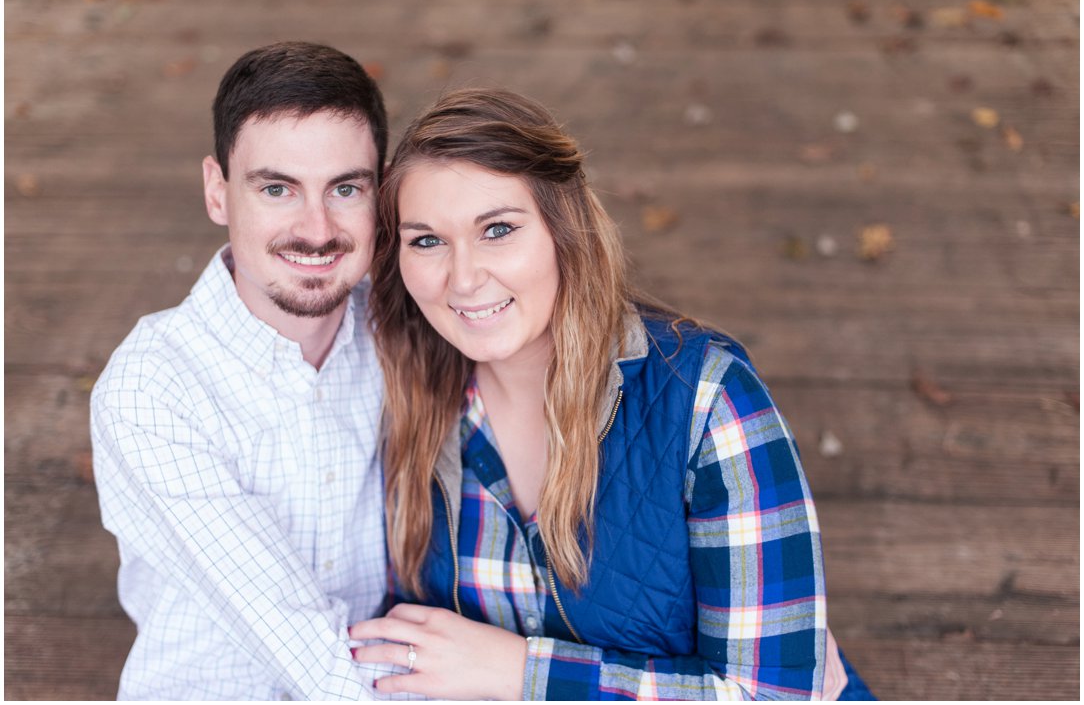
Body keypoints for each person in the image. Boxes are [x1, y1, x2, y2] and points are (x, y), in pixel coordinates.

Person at [349, 89, 875, 700]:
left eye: (497, 229)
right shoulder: (406, 399)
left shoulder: (705, 400)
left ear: (563, 229)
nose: (462, 278)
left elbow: (774, 694)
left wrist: (521, 675)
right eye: (427, 241)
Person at [91, 41, 398, 699]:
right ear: (217, 192)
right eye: (278, 188)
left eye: (345, 188)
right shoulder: (154, 387)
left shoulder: (403, 337)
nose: (317, 229)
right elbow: (301, 643)